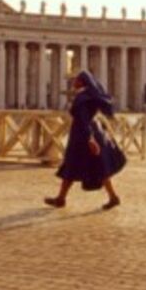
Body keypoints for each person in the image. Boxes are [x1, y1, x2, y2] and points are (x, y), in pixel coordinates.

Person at [45, 70, 125, 210]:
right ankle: (62, 198)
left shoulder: (82, 97)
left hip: (83, 136)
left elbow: (83, 120)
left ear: (82, 82)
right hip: (91, 132)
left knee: (76, 166)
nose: (73, 82)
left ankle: (112, 197)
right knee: (87, 167)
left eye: (76, 79)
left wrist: (90, 139)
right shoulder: (91, 96)